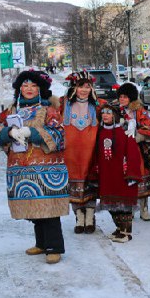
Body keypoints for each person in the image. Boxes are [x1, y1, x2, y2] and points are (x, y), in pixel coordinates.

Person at [0, 70, 69, 264]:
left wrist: (32, 132)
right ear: (19, 88)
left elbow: (60, 135)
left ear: (40, 89)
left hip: (46, 168)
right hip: (21, 168)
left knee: (48, 207)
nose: (29, 89)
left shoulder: (49, 110)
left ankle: (54, 247)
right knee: (34, 207)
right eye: (25, 85)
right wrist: (8, 133)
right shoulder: (10, 110)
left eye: (33, 86)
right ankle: (41, 243)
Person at [91, 105, 143, 242]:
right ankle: (119, 228)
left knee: (123, 205)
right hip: (107, 174)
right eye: (103, 113)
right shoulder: (100, 131)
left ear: (115, 115)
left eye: (108, 113)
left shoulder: (125, 131)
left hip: (122, 174)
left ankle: (126, 233)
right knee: (111, 204)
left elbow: (133, 153)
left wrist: (132, 173)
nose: (105, 115)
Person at [61, 70, 99, 234]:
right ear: (73, 87)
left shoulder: (98, 104)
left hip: (91, 150)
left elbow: (115, 115)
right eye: (80, 86)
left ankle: (90, 216)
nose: (84, 90)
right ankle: (79, 217)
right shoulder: (63, 104)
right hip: (71, 152)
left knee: (90, 181)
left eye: (88, 87)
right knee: (74, 183)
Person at [117, 83, 150, 221]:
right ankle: (130, 207)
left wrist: (136, 136)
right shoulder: (115, 110)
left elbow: (149, 128)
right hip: (121, 152)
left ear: (131, 97)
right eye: (120, 96)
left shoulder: (139, 110)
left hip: (137, 151)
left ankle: (144, 209)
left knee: (141, 177)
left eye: (125, 97)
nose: (122, 99)